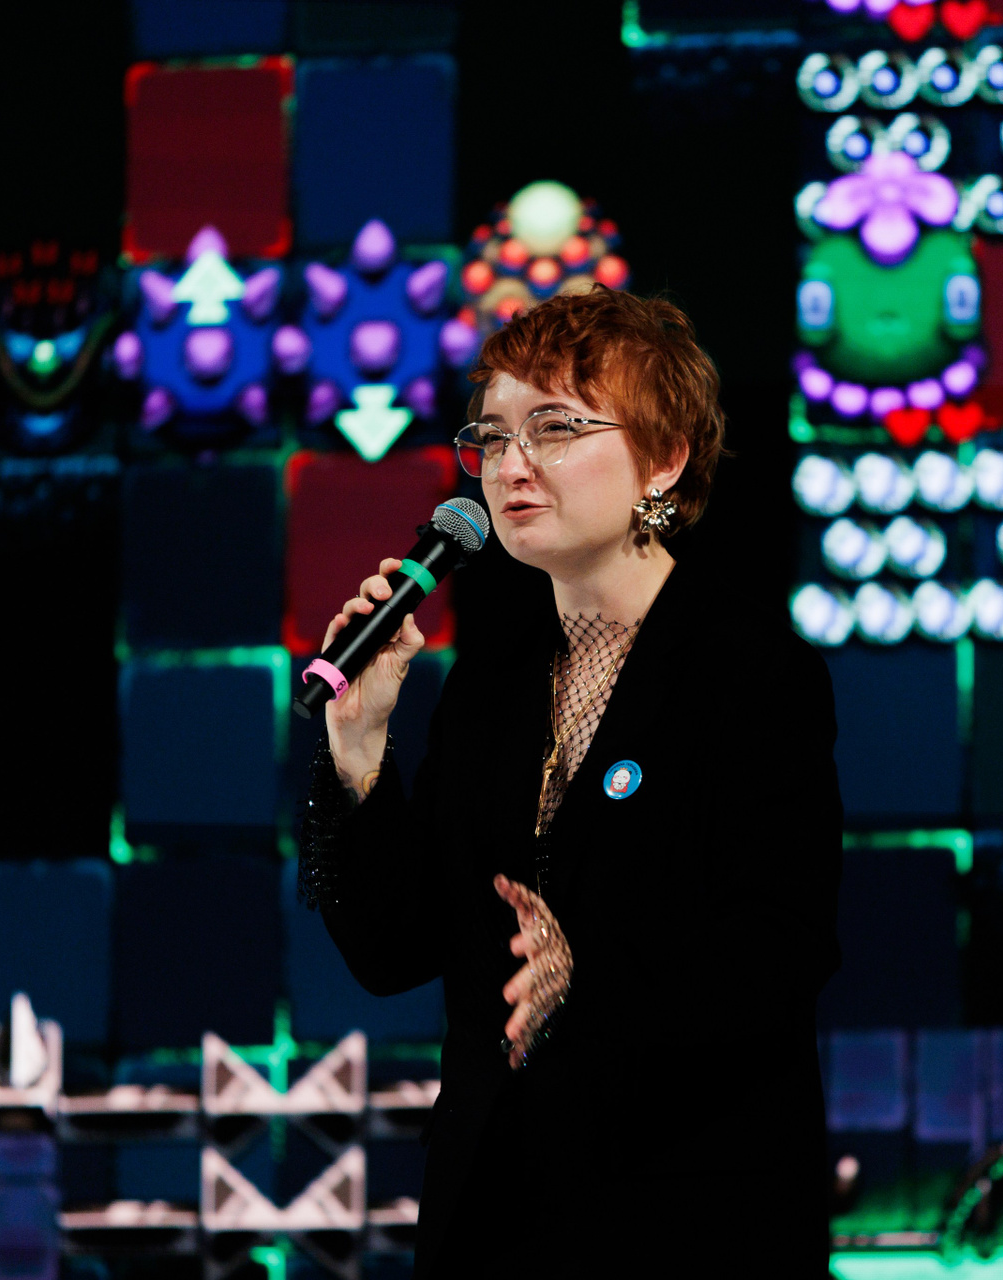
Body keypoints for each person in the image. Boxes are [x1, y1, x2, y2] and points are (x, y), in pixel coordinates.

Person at [298, 286, 843, 1276]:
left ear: (663, 458)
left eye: (554, 428)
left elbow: (781, 953)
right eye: (492, 435)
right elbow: (392, 947)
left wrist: (586, 980)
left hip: (688, 1219)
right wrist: (359, 748)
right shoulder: (489, 690)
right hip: (496, 1222)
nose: (511, 464)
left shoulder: (750, 672)